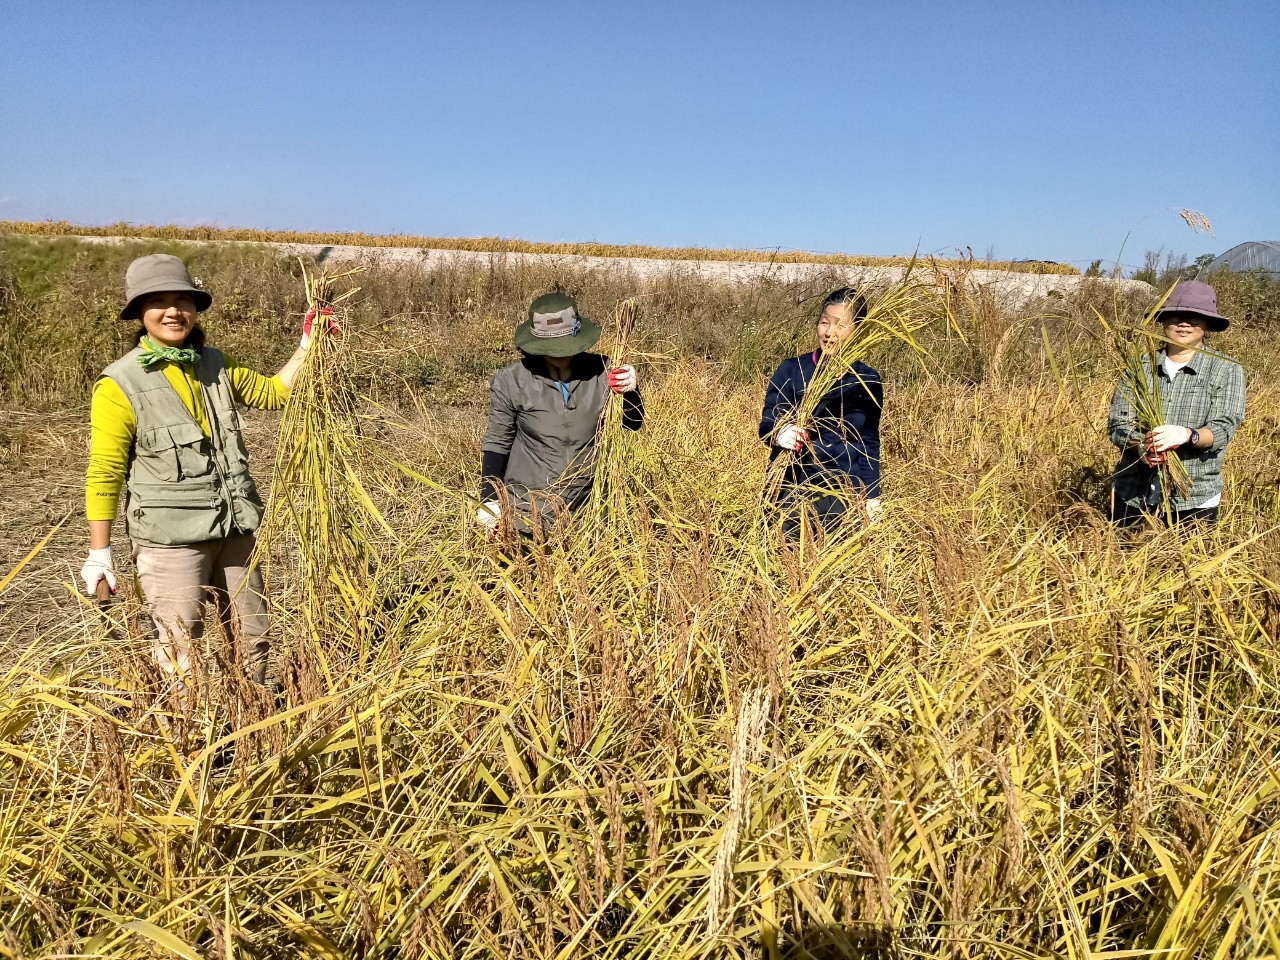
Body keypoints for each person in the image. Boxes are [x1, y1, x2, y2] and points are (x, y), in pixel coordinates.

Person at [81, 254, 322, 688]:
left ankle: (251, 718)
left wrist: (308, 344)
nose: (173, 311)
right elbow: (105, 471)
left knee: (252, 637)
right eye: (158, 302)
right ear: (140, 312)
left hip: (234, 528)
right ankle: (187, 726)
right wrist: (100, 552)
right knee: (181, 648)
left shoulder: (214, 364)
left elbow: (273, 393)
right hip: (170, 540)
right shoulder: (119, 382)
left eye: (183, 300)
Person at [478, 292, 643, 535]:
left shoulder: (602, 370)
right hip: (526, 510)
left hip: (590, 509)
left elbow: (632, 423)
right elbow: (497, 442)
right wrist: (489, 500)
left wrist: (632, 392)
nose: (560, 352)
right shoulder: (512, 380)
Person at [1108, 280, 1245, 527]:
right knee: (1126, 551)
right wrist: (1143, 447)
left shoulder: (1226, 368)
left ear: (1207, 324)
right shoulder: (1140, 365)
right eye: (1176, 315)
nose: (1184, 323)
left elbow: (1224, 427)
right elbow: (1119, 425)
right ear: (1163, 320)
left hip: (1194, 496)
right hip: (1133, 493)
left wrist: (1188, 435)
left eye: (1195, 317)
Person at [759, 287, 883, 540]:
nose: (829, 333)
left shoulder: (867, 380)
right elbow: (768, 423)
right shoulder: (793, 370)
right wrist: (781, 433)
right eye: (824, 322)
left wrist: (873, 497)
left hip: (845, 493)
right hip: (793, 488)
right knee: (784, 556)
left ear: (858, 331)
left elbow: (868, 442)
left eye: (840, 325)